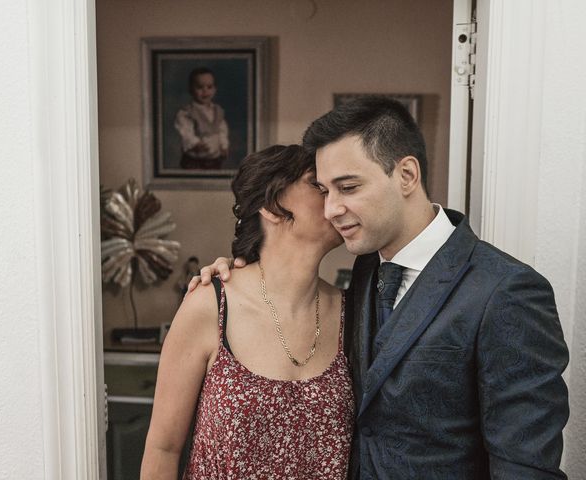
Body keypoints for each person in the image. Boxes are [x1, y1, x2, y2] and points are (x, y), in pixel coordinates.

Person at [193, 96, 570, 479]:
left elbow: (525, 469)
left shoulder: (506, 290)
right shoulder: (365, 273)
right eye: (324, 191)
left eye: (349, 187)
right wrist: (235, 270)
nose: (331, 209)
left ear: (406, 175)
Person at [140, 145, 355, 480]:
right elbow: (163, 449)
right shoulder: (209, 305)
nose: (336, 200)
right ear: (272, 205)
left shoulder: (351, 312)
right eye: (318, 185)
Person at [174, 67, 229, 170]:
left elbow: (222, 130)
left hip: (214, 159)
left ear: (215, 89)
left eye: (209, 87)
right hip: (194, 160)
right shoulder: (187, 112)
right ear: (191, 89)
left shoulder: (217, 111)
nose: (205, 91)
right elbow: (185, 131)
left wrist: (224, 145)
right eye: (200, 87)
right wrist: (196, 143)